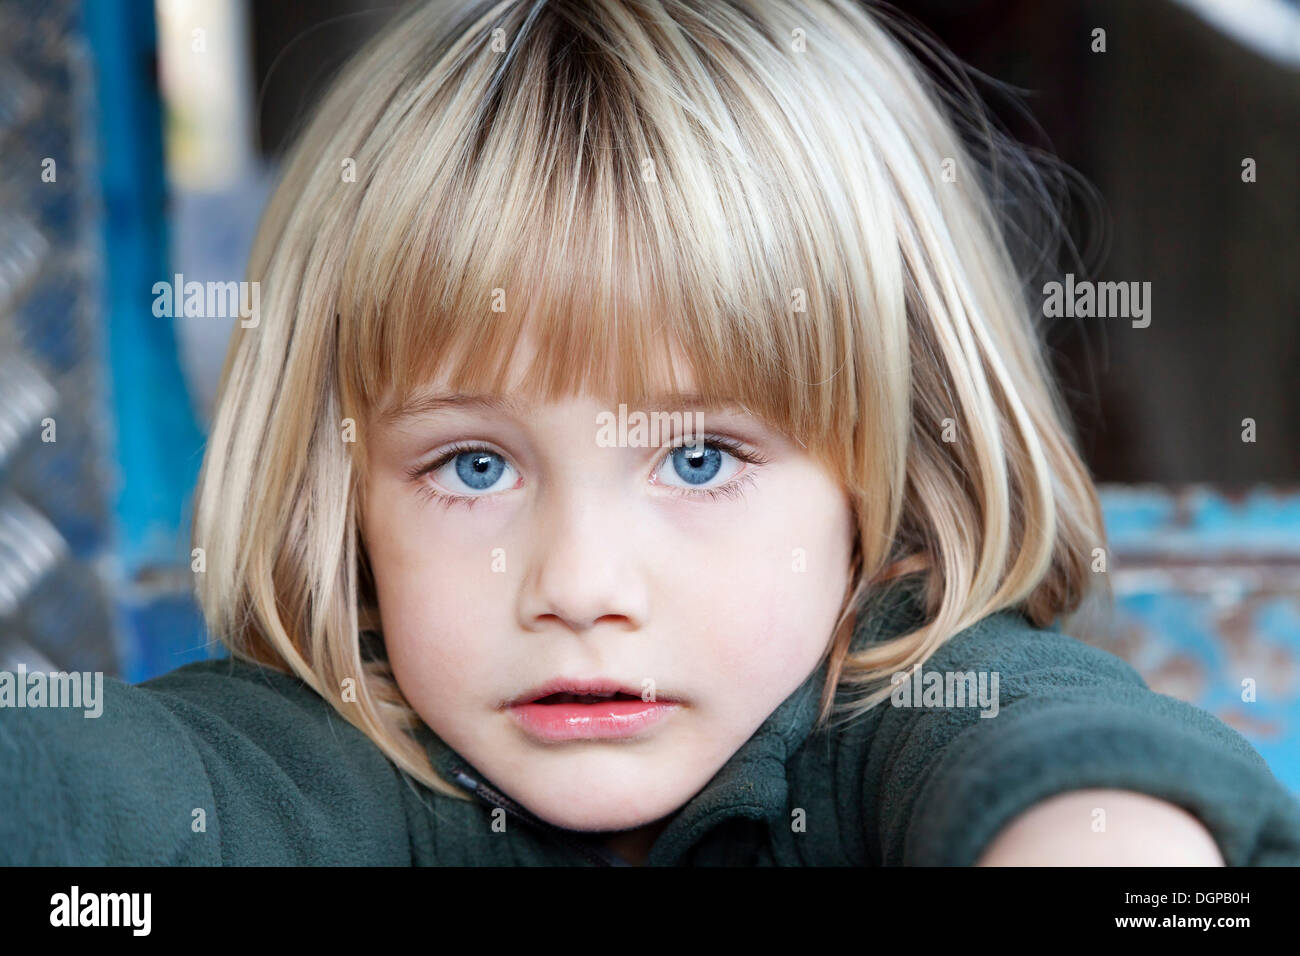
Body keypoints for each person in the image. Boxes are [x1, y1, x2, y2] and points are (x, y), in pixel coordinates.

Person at [3, 0, 1298, 865]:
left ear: (889, 486)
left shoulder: (909, 711)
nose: (579, 587)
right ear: (343, 503)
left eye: (698, 459)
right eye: (473, 466)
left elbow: (1066, 766)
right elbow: (116, 786)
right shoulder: (325, 762)